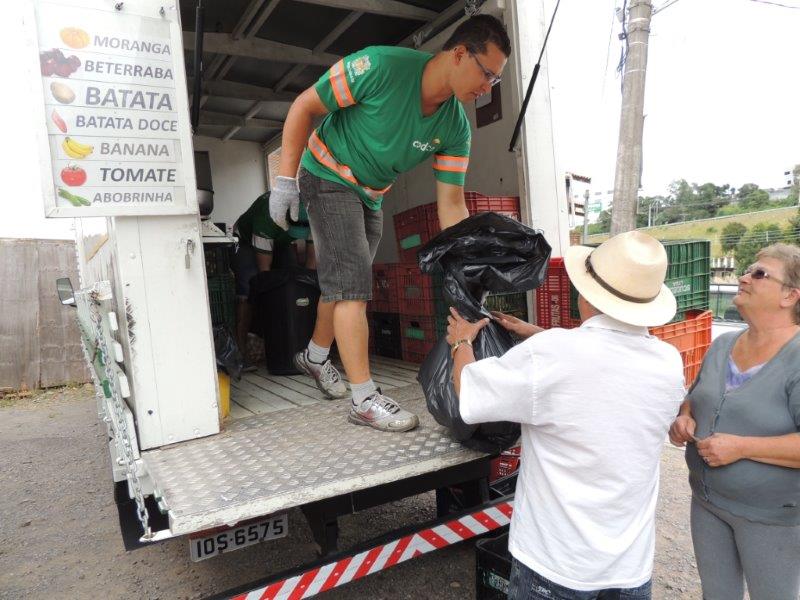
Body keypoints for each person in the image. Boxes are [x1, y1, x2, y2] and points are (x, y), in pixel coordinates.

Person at [269, 15, 512, 432]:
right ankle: (363, 399)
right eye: (486, 74)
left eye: (495, 80)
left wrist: (468, 259)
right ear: (458, 54)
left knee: (344, 281)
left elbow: (451, 203)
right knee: (353, 285)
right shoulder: (380, 67)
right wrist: (285, 180)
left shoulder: (454, 126)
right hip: (326, 173)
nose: (487, 87)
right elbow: (304, 105)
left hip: (370, 192)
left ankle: (312, 356)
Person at [447, 231, 686, 599]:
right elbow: (603, 365)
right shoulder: (669, 362)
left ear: (586, 292)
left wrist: (460, 342)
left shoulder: (553, 354)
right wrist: (535, 333)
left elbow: (471, 393)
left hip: (556, 566)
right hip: (630, 569)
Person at [669, 243, 800, 600]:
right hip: (708, 503)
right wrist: (684, 418)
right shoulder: (722, 344)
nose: (744, 277)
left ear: (790, 295)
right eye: (747, 270)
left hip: (771, 516)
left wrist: (741, 447)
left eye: (759, 273)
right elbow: (694, 400)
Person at [231, 192, 347, 397]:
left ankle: (306, 349)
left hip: (283, 239)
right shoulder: (265, 217)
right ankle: (242, 351)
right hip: (247, 241)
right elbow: (264, 274)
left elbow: (311, 268)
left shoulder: (313, 215)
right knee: (249, 288)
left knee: (298, 280)